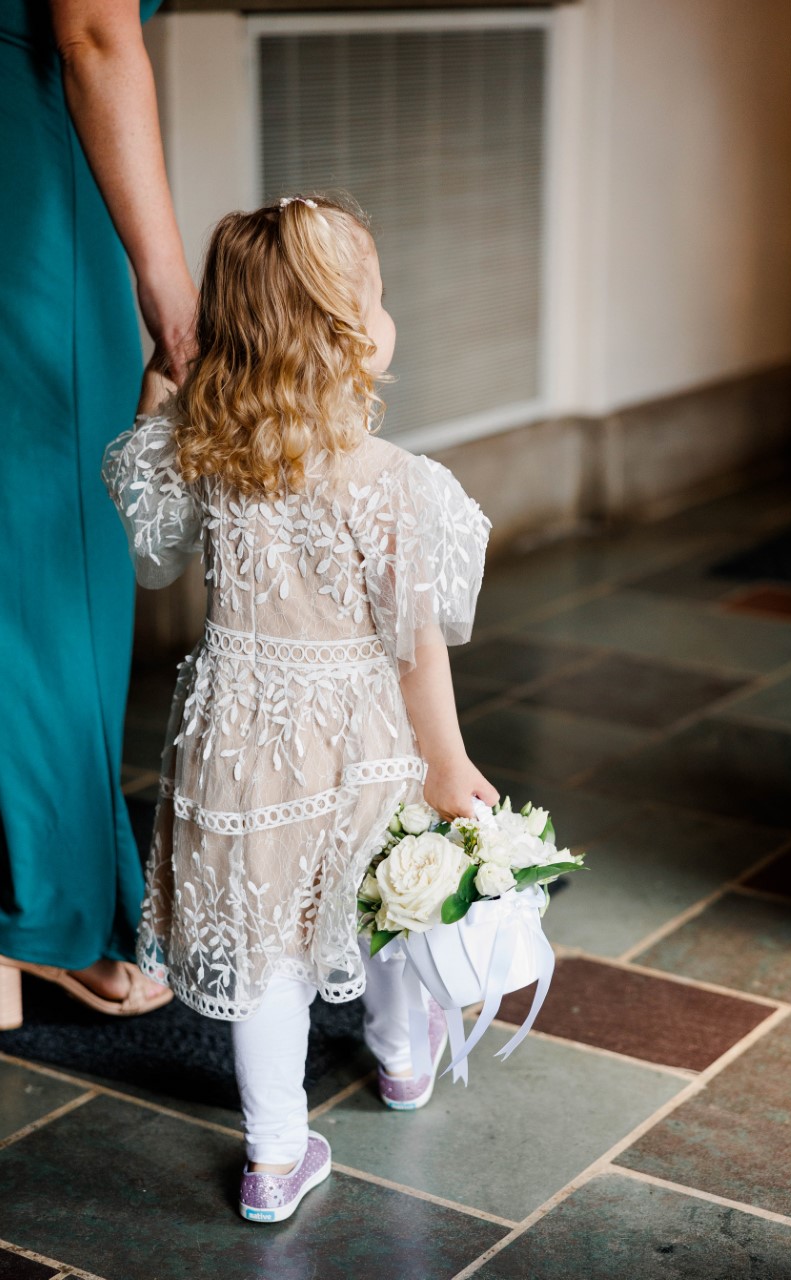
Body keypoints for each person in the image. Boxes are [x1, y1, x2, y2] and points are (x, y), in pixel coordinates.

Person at [102, 195, 499, 1222]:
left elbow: (153, 559)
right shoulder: (396, 483)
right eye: (378, 293)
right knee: (383, 900)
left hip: (239, 737)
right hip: (365, 739)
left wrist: (160, 391)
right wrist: (447, 767)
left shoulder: (206, 450)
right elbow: (417, 652)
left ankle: (275, 1153)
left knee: (268, 936)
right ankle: (402, 1056)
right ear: (350, 330)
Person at [0, 0, 195, 1025]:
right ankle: (47, 907)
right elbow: (93, 30)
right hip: (24, 155)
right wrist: (170, 298)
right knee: (48, 548)